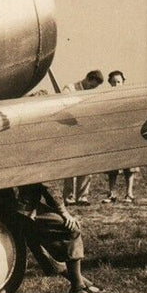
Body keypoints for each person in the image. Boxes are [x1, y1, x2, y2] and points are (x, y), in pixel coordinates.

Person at [0, 183, 102, 293]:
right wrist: (64, 213)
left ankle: (81, 282)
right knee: (71, 229)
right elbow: (49, 186)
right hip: (21, 208)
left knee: (36, 242)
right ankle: (78, 287)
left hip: (1, 205)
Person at [63, 70, 105, 205]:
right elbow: (64, 107)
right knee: (70, 164)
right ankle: (68, 197)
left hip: (86, 131)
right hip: (70, 131)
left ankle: (82, 197)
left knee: (87, 164)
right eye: (92, 86)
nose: (93, 89)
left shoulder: (93, 93)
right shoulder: (69, 89)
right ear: (87, 79)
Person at [102, 70, 139, 201]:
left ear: (123, 82)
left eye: (118, 82)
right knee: (112, 167)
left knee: (129, 167)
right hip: (112, 135)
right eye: (113, 82)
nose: (116, 84)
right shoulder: (106, 98)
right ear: (109, 83)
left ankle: (129, 193)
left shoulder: (129, 97)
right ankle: (112, 194)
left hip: (127, 134)